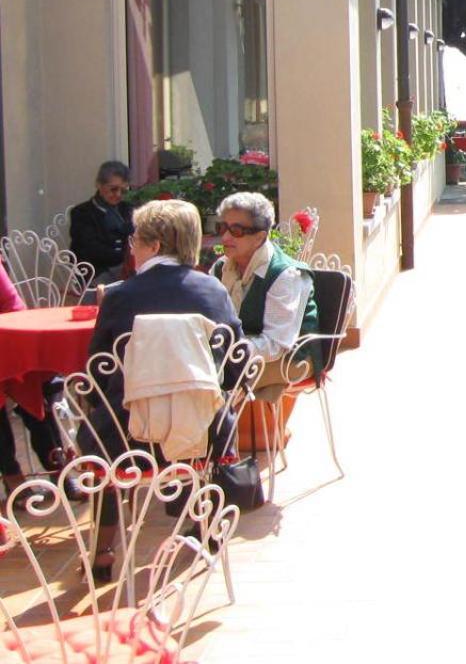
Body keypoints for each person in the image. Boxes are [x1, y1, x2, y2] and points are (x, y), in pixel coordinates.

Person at [79, 199, 243, 580]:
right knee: (201, 406)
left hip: (124, 440)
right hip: (202, 437)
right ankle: (202, 525)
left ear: (154, 246)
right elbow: (235, 365)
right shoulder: (212, 291)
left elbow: (97, 371)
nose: (130, 247)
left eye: (134, 239)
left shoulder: (119, 296)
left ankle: (103, 551)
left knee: (103, 415)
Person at [210, 192, 320, 403]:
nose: (225, 238)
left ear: (260, 236)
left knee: (213, 383)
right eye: (222, 228)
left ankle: (230, 434)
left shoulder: (284, 274)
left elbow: (276, 345)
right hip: (238, 355)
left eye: (236, 231)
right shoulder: (220, 269)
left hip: (289, 359)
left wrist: (226, 354)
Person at [0, 263, 66, 495]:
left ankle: (59, 468)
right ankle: (12, 476)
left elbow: (13, 305)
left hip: (4, 336)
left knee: (38, 381)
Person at [68, 161, 135, 287]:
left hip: (124, 270)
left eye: (123, 190)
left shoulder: (127, 209)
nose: (118, 195)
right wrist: (127, 258)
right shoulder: (82, 213)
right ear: (99, 184)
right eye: (113, 189)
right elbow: (92, 250)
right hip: (95, 272)